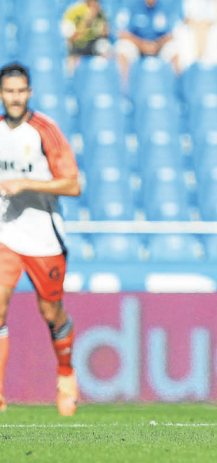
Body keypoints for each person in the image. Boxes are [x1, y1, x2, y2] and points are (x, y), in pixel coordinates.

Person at [0, 63, 81, 415]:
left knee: (51, 311)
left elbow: (73, 185)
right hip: (5, 233)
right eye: (9, 91)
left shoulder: (45, 130)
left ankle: (66, 374)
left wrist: (26, 183)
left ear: (29, 93)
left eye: (20, 91)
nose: (15, 97)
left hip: (43, 236)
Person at [115, 0, 179, 82]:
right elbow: (122, 33)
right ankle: (124, 87)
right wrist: (141, 45)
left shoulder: (166, 5)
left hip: (158, 45)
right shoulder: (131, 4)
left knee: (173, 48)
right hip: (137, 44)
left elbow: (172, 33)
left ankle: (175, 87)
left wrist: (157, 45)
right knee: (123, 47)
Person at [61, 0, 112, 73]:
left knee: (105, 47)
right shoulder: (74, 10)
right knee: (71, 61)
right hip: (77, 44)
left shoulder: (100, 12)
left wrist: (105, 30)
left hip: (94, 44)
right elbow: (72, 37)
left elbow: (105, 34)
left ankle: (105, 75)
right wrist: (88, 21)